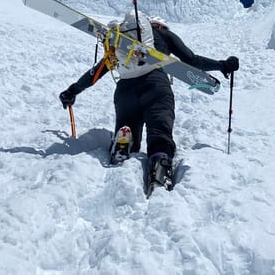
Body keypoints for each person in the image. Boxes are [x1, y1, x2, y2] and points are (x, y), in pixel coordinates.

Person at [58, 10, 239, 187]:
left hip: (124, 91)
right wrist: (222, 65)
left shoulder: (120, 42)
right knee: (159, 130)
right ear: (158, 26)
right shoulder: (164, 34)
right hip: (155, 85)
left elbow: (96, 72)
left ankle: (124, 141)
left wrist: (72, 90)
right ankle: (160, 167)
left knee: (128, 127)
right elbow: (192, 59)